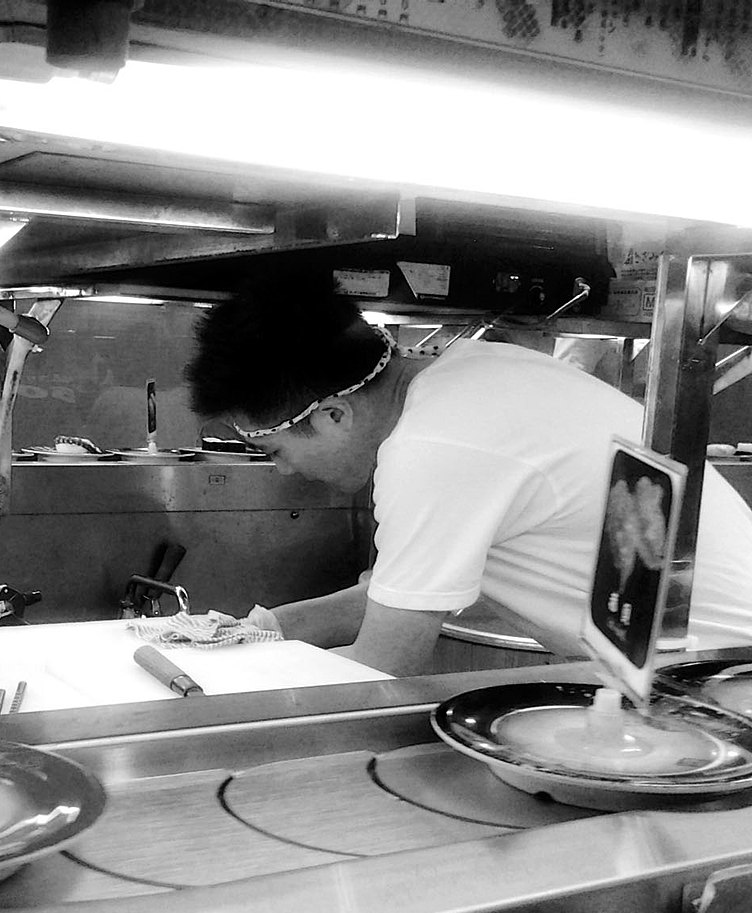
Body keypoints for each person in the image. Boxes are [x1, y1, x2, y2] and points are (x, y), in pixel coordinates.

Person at [184, 275, 752, 676]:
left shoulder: (432, 447)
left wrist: (225, 696)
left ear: (334, 414)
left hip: (718, 683)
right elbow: (397, 597)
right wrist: (258, 631)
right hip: (696, 669)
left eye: (275, 448)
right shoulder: (470, 375)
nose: (284, 470)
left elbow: (383, 665)